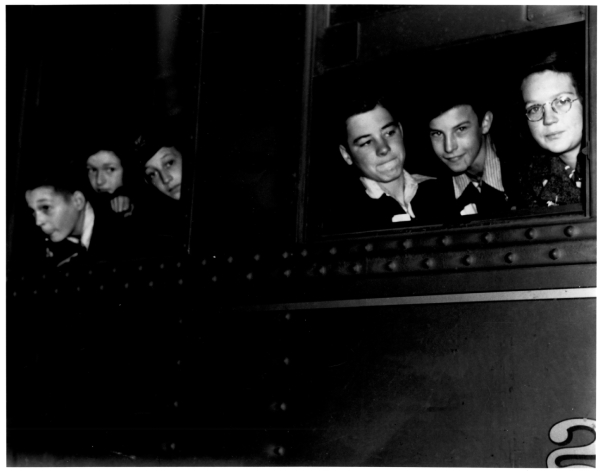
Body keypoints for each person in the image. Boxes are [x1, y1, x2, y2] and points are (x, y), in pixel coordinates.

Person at [413, 80, 516, 221]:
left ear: (485, 123)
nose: (449, 147)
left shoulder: (524, 170)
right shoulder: (430, 193)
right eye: (437, 133)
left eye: (460, 129)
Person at [331, 94, 433, 232]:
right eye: (366, 142)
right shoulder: (344, 221)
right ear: (346, 154)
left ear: (401, 131)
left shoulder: (442, 189)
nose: (384, 148)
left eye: (389, 133)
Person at [24, 165, 134, 268]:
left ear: (78, 201)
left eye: (46, 207)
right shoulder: (47, 250)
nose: (38, 221)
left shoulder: (122, 232)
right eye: (33, 211)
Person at [518, 50, 585, 208]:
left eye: (561, 101)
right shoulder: (530, 181)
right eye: (534, 108)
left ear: (586, 100)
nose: (548, 119)